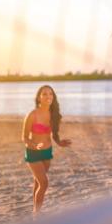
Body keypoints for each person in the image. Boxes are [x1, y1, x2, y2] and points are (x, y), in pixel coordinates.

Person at [21, 85, 72, 215]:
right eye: (44, 94)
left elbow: (54, 135)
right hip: (33, 153)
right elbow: (24, 137)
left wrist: (60, 143)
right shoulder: (32, 115)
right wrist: (32, 145)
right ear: (39, 97)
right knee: (44, 183)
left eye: (50, 94)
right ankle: (36, 214)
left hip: (47, 152)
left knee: (38, 182)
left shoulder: (54, 115)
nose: (48, 96)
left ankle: (35, 208)